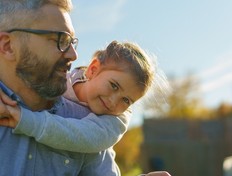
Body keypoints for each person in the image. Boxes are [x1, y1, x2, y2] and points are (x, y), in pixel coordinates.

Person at [0, 0, 184, 176]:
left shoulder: (87, 124)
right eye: (59, 40)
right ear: (8, 46)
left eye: (72, 42)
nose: (74, 56)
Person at [0, 39, 155, 152]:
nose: (114, 102)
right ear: (93, 70)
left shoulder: (116, 120)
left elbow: (84, 137)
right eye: (114, 86)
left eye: (126, 100)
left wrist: (25, 119)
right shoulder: (58, 81)